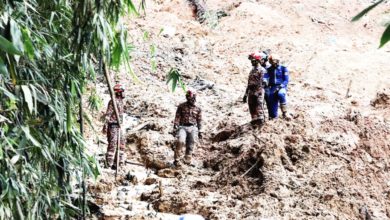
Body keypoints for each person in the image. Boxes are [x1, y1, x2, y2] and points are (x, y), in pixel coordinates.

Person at [173, 90, 202, 167]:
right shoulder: (181, 106)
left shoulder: (198, 109)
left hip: (193, 127)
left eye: (193, 99)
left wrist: (200, 131)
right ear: (187, 98)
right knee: (180, 141)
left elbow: (199, 120)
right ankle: (177, 160)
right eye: (190, 99)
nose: (192, 100)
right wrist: (175, 126)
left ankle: (187, 160)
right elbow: (177, 117)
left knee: (191, 144)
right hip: (183, 127)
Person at [102, 84, 125, 169]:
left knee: (121, 144)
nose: (123, 94)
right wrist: (105, 125)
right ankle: (108, 164)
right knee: (113, 144)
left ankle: (118, 164)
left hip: (119, 126)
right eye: (122, 92)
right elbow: (108, 114)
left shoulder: (121, 101)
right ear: (119, 93)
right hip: (113, 125)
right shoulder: (113, 101)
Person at [243, 52, 267, 126]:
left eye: (253, 60)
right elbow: (249, 83)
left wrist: (258, 91)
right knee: (252, 108)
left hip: (258, 91)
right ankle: (254, 123)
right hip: (251, 92)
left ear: (257, 60)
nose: (251, 62)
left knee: (259, 107)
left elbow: (264, 83)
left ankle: (261, 124)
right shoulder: (252, 70)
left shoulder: (262, 70)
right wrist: (246, 94)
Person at [263, 54, 290, 119]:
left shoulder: (283, 68)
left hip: (281, 86)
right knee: (271, 99)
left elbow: (286, 80)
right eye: (272, 62)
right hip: (272, 87)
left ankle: (285, 112)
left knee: (281, 94)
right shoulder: (269, 69)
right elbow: (265, 77)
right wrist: (264, 81)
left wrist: (280, 86)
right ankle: (273, 116)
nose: (274, 64)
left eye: (275, 62)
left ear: (278, 61)